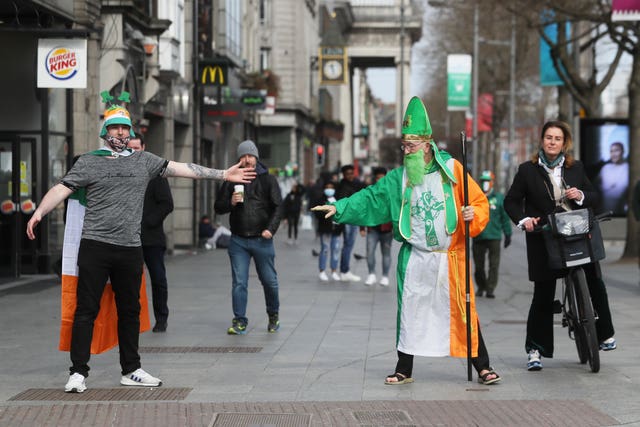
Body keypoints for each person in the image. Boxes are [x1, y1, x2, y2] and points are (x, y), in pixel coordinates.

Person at [26, 97, 255, 394]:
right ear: (105, 131)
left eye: (126, 129)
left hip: (130, 248)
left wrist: (223, 174)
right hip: (95, 246)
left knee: (130, 311)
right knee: (86, 310)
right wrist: (39, 213)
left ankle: (131, 369)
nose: (121, 133)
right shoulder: (89, 162)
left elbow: (180, 168)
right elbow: (61, 188)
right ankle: (78, 372)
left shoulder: (143, 161)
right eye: (116, 128)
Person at [312, 96, 501, 386]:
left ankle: (483, 366)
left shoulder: (452, 170)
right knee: (410, 312)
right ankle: (404, 368)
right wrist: (340, 208)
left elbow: (478, 203)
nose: (406, 151)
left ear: (427, 145)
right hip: (415, 257)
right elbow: (372, 198)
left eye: (411, 146)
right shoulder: (399, 178)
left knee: (464, 310)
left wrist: (470, 213)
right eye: (404, 146)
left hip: (450, 257)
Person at [504, 120, 617, 372]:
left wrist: (581, 196)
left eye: (557, 138)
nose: (552, 142)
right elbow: (511, 201)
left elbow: (595, 197)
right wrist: (524, 220)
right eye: (548, 137)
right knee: (543, 294)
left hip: (577, 233)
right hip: (544, 237)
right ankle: (535, 350)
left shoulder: (576, 168)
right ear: (542, 141)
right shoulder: (527, 170)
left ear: (565, 142)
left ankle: (604, 334)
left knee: (595, 281)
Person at [214, 140, 283, 335]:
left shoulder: (268, 180)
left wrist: (270, 229)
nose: (247, 160)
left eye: (250, 156)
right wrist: (231, 202)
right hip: (238, 240)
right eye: (243, 156)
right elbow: (218, 207)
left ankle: (273, 315)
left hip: (262, 239)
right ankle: (239, 321)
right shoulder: (231, 179)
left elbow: (279, 206)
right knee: (239, 282)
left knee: (269, 281)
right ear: (239, 159)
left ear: (256, 158)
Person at [128, 136, 174, 333]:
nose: (134, 151)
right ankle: (133, 319)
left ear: (144, 148)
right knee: (129, 281)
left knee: (158, 279)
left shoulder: (156, 174)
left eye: (137, 148)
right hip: (129, 237)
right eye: (131, 148)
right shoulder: (124, 173)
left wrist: (149, 221)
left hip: (152, 237)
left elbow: (167, 204)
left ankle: (161, 318)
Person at [472, 170, 512, 298]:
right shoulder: (475, 197)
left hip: (494, 236)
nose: (485, 183)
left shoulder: (499, 198)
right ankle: (481, 286)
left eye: (487, 181)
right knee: (478, 266)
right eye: (483, 181)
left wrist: (508, 234)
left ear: (492, 182)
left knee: (494, 265)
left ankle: (490, 288)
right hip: (478, 236)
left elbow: (504, 218)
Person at [361, 166, 393, 287]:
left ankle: (385, 276)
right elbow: (364, 209)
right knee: (370, 252)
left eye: (382, 177)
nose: (380, 179)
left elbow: (394, 210)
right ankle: (371, 274)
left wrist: (396, 227)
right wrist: (362, 228)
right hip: (372, 228)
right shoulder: (370, 190)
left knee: (386, 253)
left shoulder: (390, 191)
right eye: (378, 177)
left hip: (387, 229)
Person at [336, 164, 365, 282]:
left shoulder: (358, 184)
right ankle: (344, 271)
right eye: (347, 174)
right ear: (343, 175)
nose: (350, 176)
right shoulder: (341, 186)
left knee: (349, 245)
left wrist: (362, 226)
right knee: (348, 245)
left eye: (352, 173)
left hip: (355, 218)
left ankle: (345, 270)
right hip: (347, 219)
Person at [313, 181, 343, 281]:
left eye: (331, 187)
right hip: (325, 229)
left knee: (335, 249)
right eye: (327, 187)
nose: (329, 189)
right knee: (325, 249)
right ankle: (322, 271)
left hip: (336, 229)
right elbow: (317, 213)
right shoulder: (320, 199)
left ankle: (334, 270)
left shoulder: (338, 200)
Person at [594, 141, 629, 215]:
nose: (613, 154)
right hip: (604, 212)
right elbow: (595, 185)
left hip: (622, 214)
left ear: (623, 151)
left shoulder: (628, 168)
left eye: (616, 150)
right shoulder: (605, 168)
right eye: (611, 151)